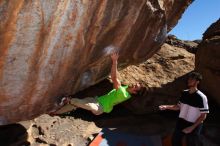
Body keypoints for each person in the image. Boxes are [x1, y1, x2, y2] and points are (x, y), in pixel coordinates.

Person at [52, 52, 144, 115]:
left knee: (86, 105)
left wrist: (114, 61)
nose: (134, 84)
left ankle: (68, 99)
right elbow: (117, 79)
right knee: (76, 105)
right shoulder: (126, 88)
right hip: (97, 99)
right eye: (136, 83)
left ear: (135, 92)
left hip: (100, 107)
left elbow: (114, 78)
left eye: (135, 86)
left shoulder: (124, 94)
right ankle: (56, 113)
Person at [159, 72, 209, 146]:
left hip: (194, 124)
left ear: (197, 82)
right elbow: (178, 107)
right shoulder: (184, 93)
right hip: (181, 122)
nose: (189, 80)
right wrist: (166, 106)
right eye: (189, 78)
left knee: (191, 143)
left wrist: (192, 127)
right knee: (175, 141)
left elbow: (203, 116)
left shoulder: (202, 97)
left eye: (192, 79)